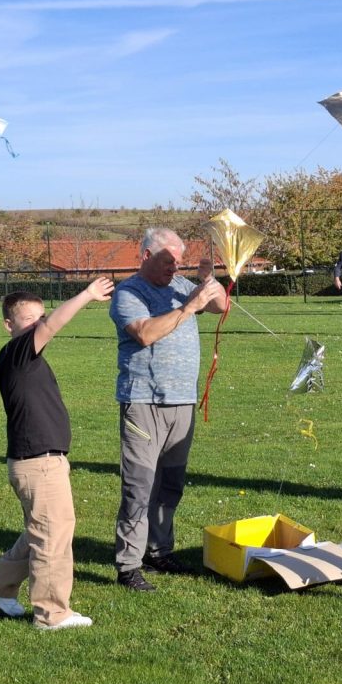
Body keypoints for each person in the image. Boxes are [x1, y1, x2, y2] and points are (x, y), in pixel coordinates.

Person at [0, 277, 115, 630]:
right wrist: (86, 295)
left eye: (41, 316)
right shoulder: (18, 351)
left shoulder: (27, 357)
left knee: (47, 530)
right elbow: (53, 325)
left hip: (43, 459)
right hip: (36, 461)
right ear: (9, 325)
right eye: (29, 319)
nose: (38, 323)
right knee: (51, 535)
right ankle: (52, 614)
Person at [110, 227, 227, 592]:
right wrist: (188, 306)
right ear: (145, 256)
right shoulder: (129, 292)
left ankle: (158, 550)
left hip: (182, 402)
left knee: (171, 483)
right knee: (139, 486)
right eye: (167, 261)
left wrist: (207, 279)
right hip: (143, 401)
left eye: (179, 262)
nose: (174, 269)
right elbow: (144, 333)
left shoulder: (179, 285)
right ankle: (128, 565)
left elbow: (221, 305)